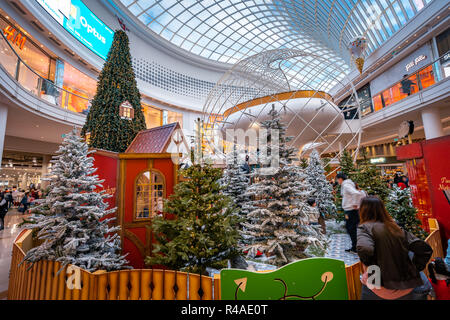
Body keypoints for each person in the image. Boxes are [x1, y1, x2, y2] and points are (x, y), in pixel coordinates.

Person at [357, 196, 433, 300]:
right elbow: (425, 249)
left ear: (363, 210)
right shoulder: (395, 228)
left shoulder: (365, 228)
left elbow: (365, 249)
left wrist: (371, 268)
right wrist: (414, 268)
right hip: (406, 288)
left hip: (377, 287)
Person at [336, 173, 366, 253]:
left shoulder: (346, 185)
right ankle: (355, 246)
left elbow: (356, 193)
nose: (337, 181)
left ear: (340, 179)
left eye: (337, 179)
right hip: (351, 210)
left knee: (351, 229)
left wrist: (355, 204)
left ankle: (355, 247)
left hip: (350, 210)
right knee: (352, 228)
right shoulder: (347, 184)